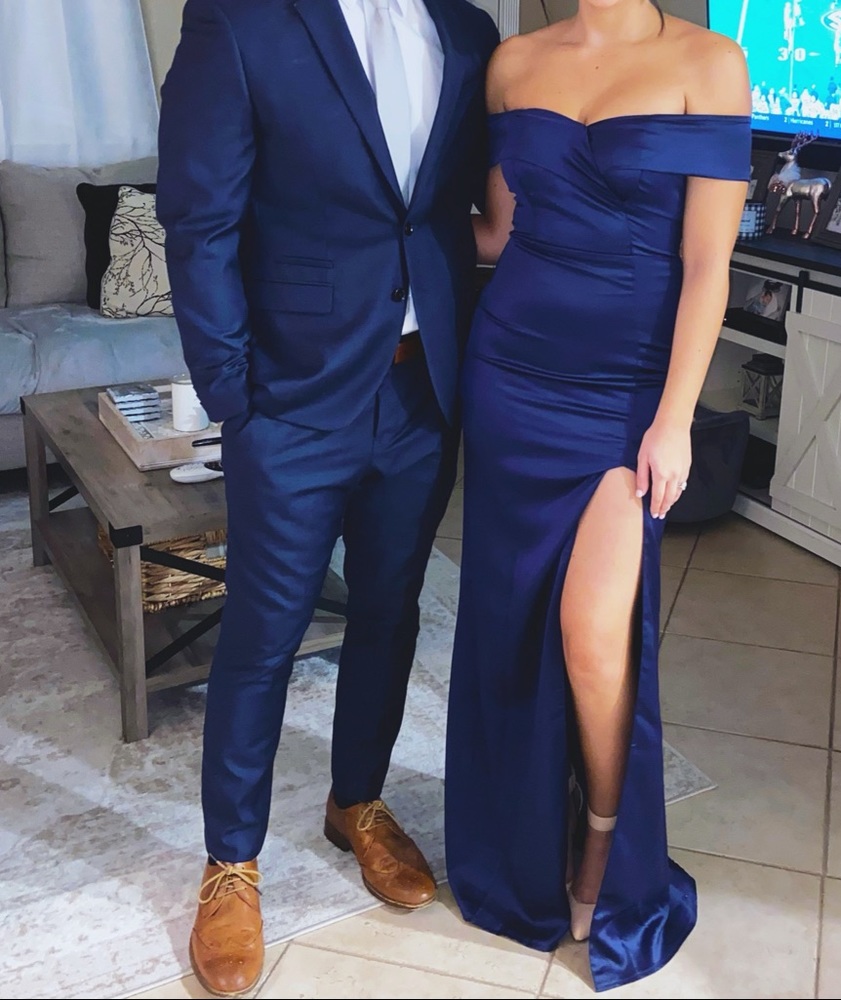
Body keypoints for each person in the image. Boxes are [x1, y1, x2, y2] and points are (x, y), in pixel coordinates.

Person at [157, 0, 498, 994]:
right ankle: (231, 861)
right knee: (263, 632)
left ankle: (357, 802)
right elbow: (199, 218)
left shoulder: (468, 32)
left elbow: (455, 212)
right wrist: (233, 393)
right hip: (291, 399)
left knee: (391, 611)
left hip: (423, 390)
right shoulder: (240, 21)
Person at [445, 0, 750, 991]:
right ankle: (521, 839)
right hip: (511, 374)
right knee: (506, 621)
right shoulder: (511, 64)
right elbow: (498, 232)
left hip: (626, 393)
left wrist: (675, 418)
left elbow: (707, 264)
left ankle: (603, 846)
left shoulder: (709, 63)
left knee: (591, 634)